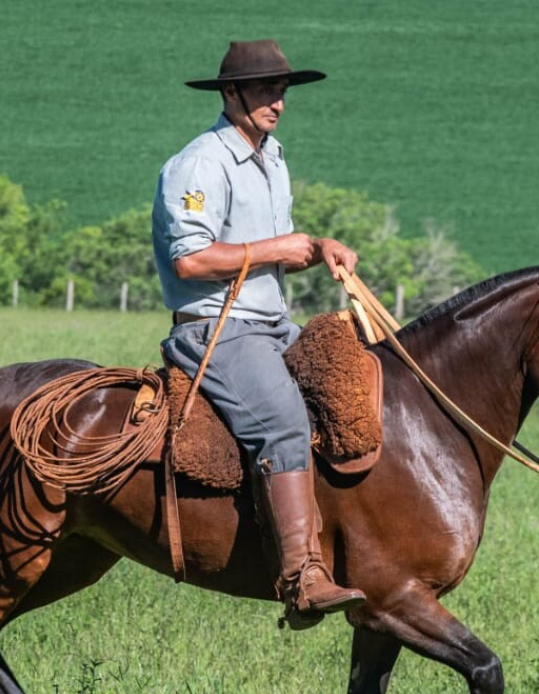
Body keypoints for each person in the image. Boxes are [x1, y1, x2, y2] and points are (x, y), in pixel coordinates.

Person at [152, 39, 365, 623]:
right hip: (216, 330)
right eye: (267, 90)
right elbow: (189, 261)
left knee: (351, 383)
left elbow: (278, 249)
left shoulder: (272, 157)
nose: (278, 101)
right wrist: (278, 247)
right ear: (231, 94)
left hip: (271, 324)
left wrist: (320, 247)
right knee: (283, 421)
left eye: (283, 90)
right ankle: (301, 578)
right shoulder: (200, 163)